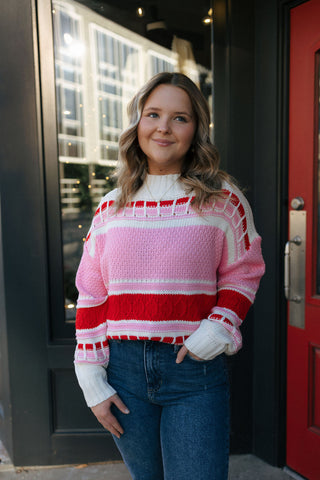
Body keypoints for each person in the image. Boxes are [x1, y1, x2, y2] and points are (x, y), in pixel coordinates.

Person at [74, 72, 265, 480]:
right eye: (153, 114)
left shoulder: (222, 199)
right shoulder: (110, 209)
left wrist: (218, 329)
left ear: (196, 129)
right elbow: (91, 293)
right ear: (137, 125)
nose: (163, 127)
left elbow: (244, 272)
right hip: (122, 371)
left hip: (192, 369)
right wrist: (91, 376)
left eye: (180, 117)